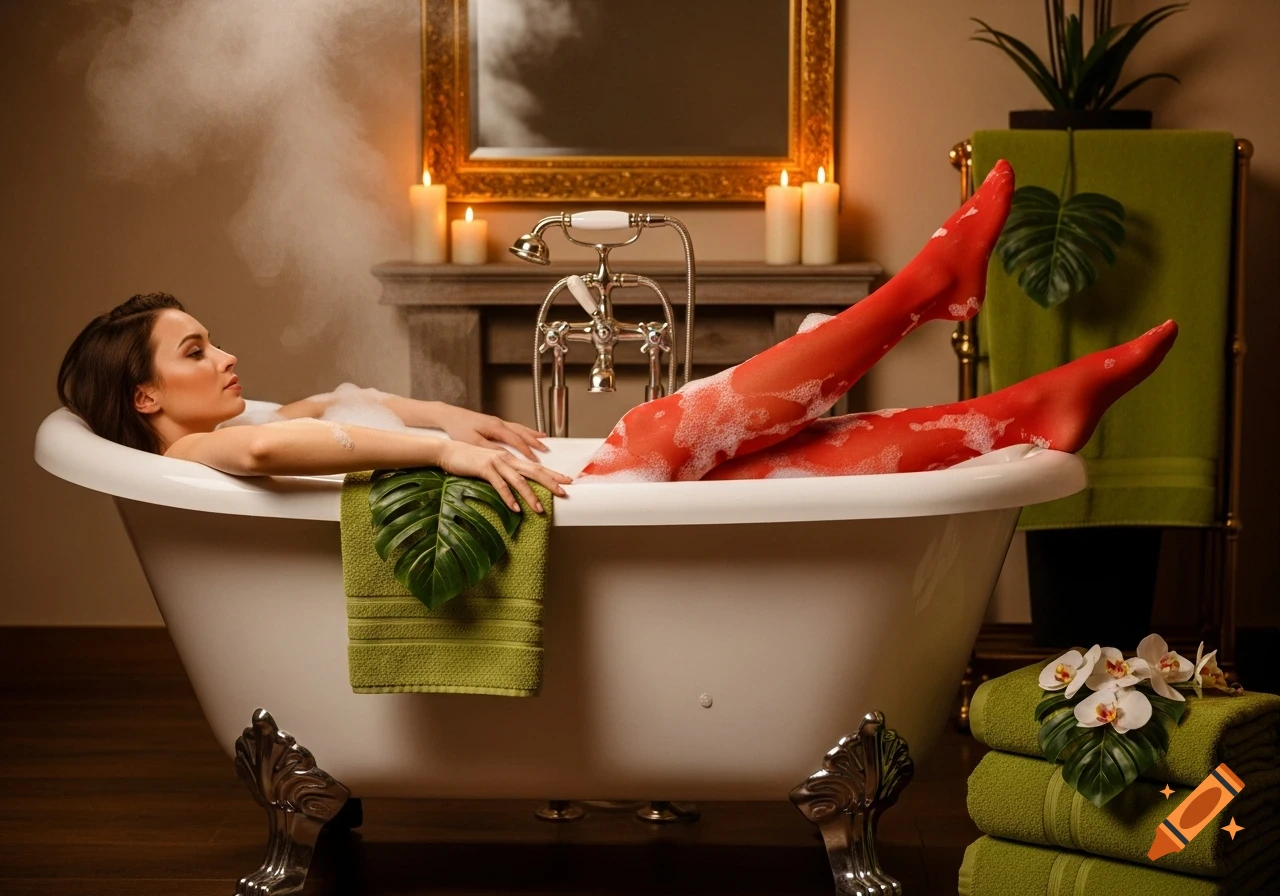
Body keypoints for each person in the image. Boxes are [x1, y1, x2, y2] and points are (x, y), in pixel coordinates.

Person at [56, 292, 571, 515]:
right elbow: (261, 449)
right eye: (197, 353)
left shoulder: (215, 436)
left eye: (213, 343)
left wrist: (445, 415)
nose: (227, 357)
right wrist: (440, 453)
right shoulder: (184, 455)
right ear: (144, 396)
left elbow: (327, 404)